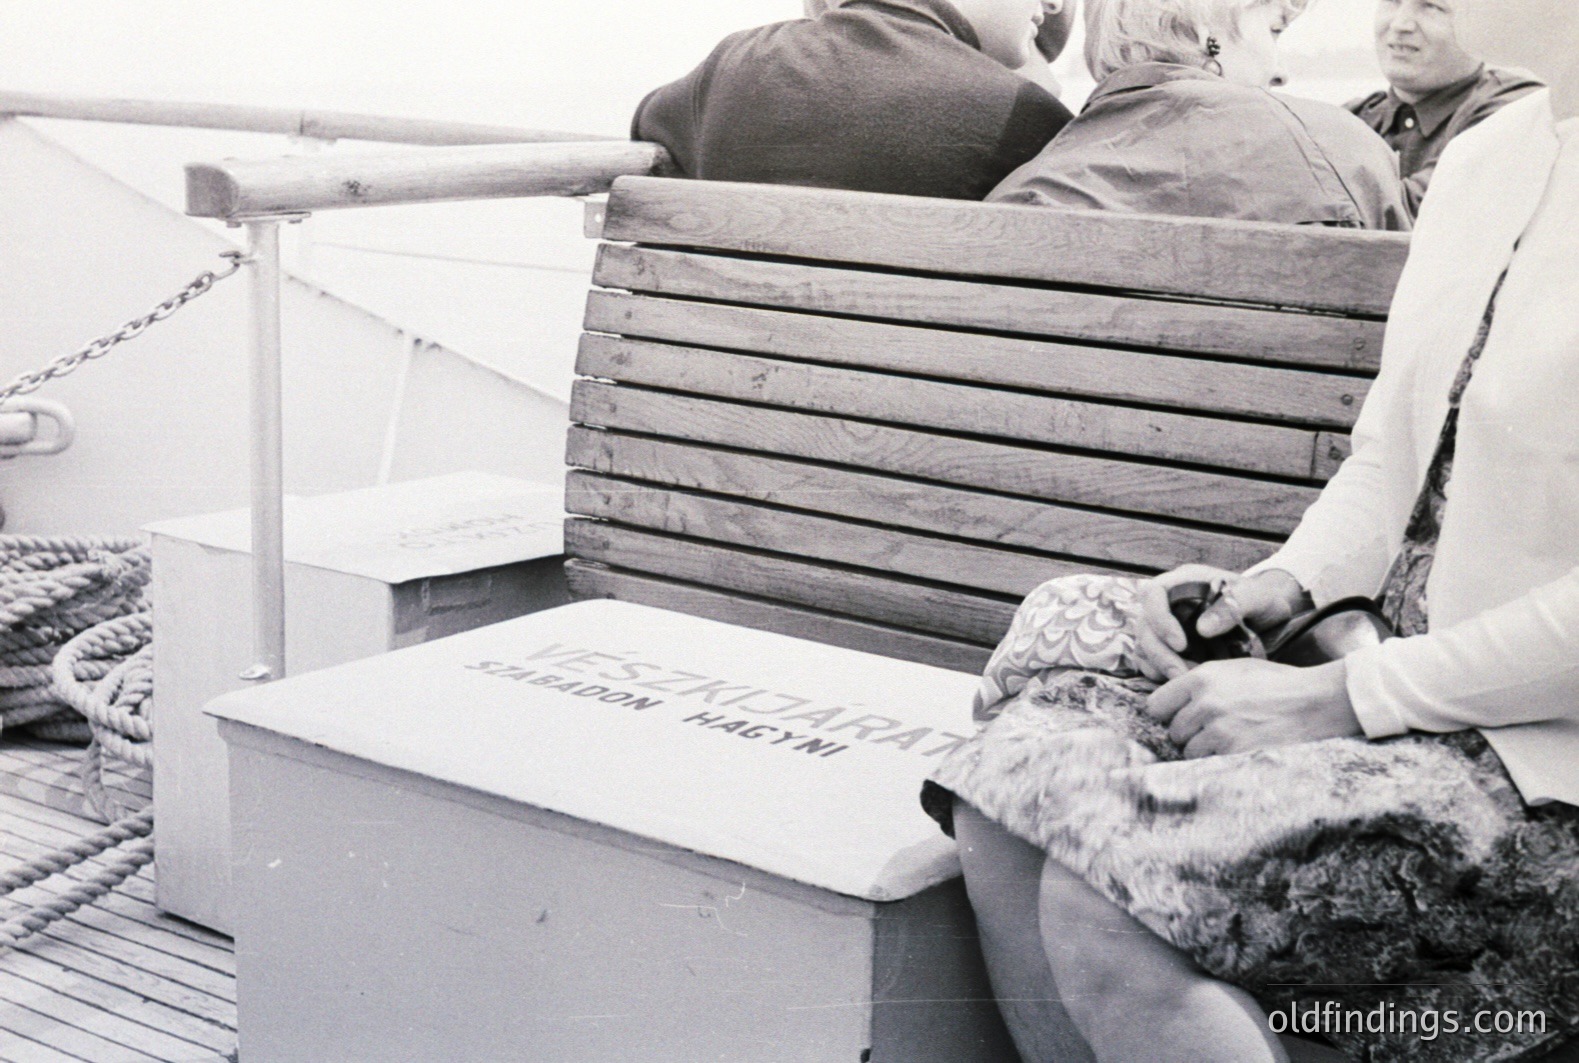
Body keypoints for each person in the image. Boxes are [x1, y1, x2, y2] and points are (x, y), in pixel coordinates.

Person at [926, 0, 1579, 1059]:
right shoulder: (1491, 159)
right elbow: (1390, 459)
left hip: (1539, 760)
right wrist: (1278, 590)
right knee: (1006, 794)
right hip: (1398, 672)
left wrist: (1338, 697)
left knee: (1106, 894)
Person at [989, 0, 1410, 230]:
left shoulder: (1028, 182)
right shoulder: (1337, 149)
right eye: (1274, 30)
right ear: (1208, 30)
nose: (1281, 72)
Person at [629, 0, 1074, 201]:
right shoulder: (1026, 116)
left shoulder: (737, 59)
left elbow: (646, 123)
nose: (1053, 5)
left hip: (717, 366)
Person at [1349, 0, 1543, 215]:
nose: (1400, 24)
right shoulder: (1352, 119)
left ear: (1482, 27)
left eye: (1432, 6)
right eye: (1393, 1)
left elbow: (1421, 212)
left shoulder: (1515, 111)